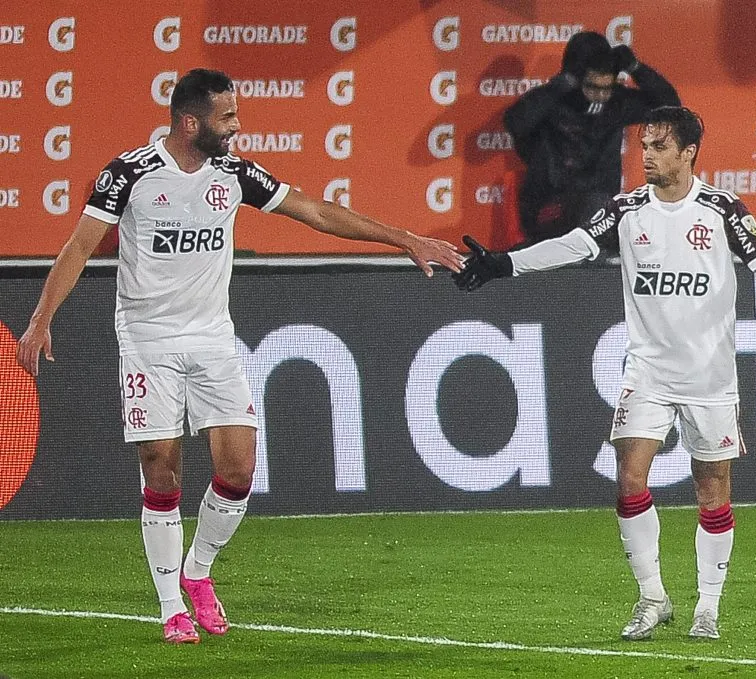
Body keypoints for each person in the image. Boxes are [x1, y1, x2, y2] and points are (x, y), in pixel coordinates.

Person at [15, 68, 463, 644]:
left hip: (212, 338)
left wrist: (406, 239)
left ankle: (197, 573)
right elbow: (78, 247)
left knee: (239, 468)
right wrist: (40, 319)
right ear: (190, 121)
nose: (236, 128)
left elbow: (317, 211)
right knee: (160, 462)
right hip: (147, 338)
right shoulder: (128, 175)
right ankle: (170, 603)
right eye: (227, 118)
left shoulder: (233, 173)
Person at [454, 106, 756, 640]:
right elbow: (573, 245)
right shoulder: (626, 210)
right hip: (648, 372)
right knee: (630, 479)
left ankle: (708, 606)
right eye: (644, 147)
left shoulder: (722, 209)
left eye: (659, 147)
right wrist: (505, 263)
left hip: (709, 376)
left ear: (688, 153)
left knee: (712, 493)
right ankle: (652, 597)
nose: (648, 157)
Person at [503, 31, 680, 246]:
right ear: (575, 79)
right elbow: (515, 122)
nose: (601, 96)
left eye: (607, 88)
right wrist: (559, 86)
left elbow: (670, 106)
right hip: (549, 208)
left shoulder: (616, 103)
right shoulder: (553, 104)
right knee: (598, 209)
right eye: (593, 88)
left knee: (640, 221)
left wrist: (637, 68)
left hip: (600, 211)